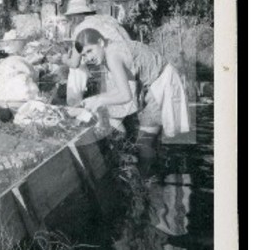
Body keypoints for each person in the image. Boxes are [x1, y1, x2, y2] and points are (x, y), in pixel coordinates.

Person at [77, 28, 190, 176]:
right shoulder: (112, 48)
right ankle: (158, 174)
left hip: (161, 84)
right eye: (84, 55)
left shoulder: (112, 56)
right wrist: (96, 99)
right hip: (156, 82)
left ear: (100, 42)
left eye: (90, 51)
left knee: (145, 142)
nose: (88, 58)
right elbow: (122, 88)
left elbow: (125, 96)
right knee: (151, 139)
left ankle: (145, 183)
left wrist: (99, 100)